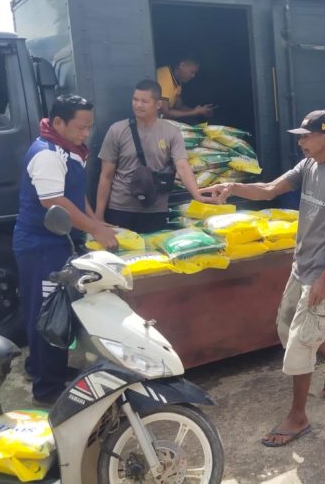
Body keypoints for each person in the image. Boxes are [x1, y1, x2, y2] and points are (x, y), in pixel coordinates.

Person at [204, 110, 325, 448]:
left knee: (300, 344)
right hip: (300, 268)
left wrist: (324, 280)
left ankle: (298, 416)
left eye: (306, 136)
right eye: (300, 137)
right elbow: (270, 190)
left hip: (324, 274)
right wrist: (232, 187)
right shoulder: (307, 167)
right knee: (287, 327)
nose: (301, 142)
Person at [13, 95, 118, 406]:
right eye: (80, 127)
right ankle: (47, 389)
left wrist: (94, 222)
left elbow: (73, 195)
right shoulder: (47, 154)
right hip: (40, 245)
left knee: (56, 310)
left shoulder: (70, 149)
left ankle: (44, 367)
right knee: (46, 314)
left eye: (89, 127)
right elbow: (54, 201)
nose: (85, 133)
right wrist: (95, 229)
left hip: (60, 241)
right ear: (58, 123)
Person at [95, 80, 213, 233]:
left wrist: (197, 195)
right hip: (121, 209)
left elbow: (183, 166)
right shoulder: (117, 130)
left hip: (156, 210)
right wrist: (98, 215)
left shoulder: (171, 132)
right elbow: (106, 175)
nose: (138, 105)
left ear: (158, 105)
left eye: (144, 101)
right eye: (135, 99)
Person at [155, 54, 215, 121]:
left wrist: (200, 111)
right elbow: (165, 113)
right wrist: (193, 112)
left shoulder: (177, 80)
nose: (193, 76)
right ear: (182, 65)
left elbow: (179, 106)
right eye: (192, 72)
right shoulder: (165, 78)